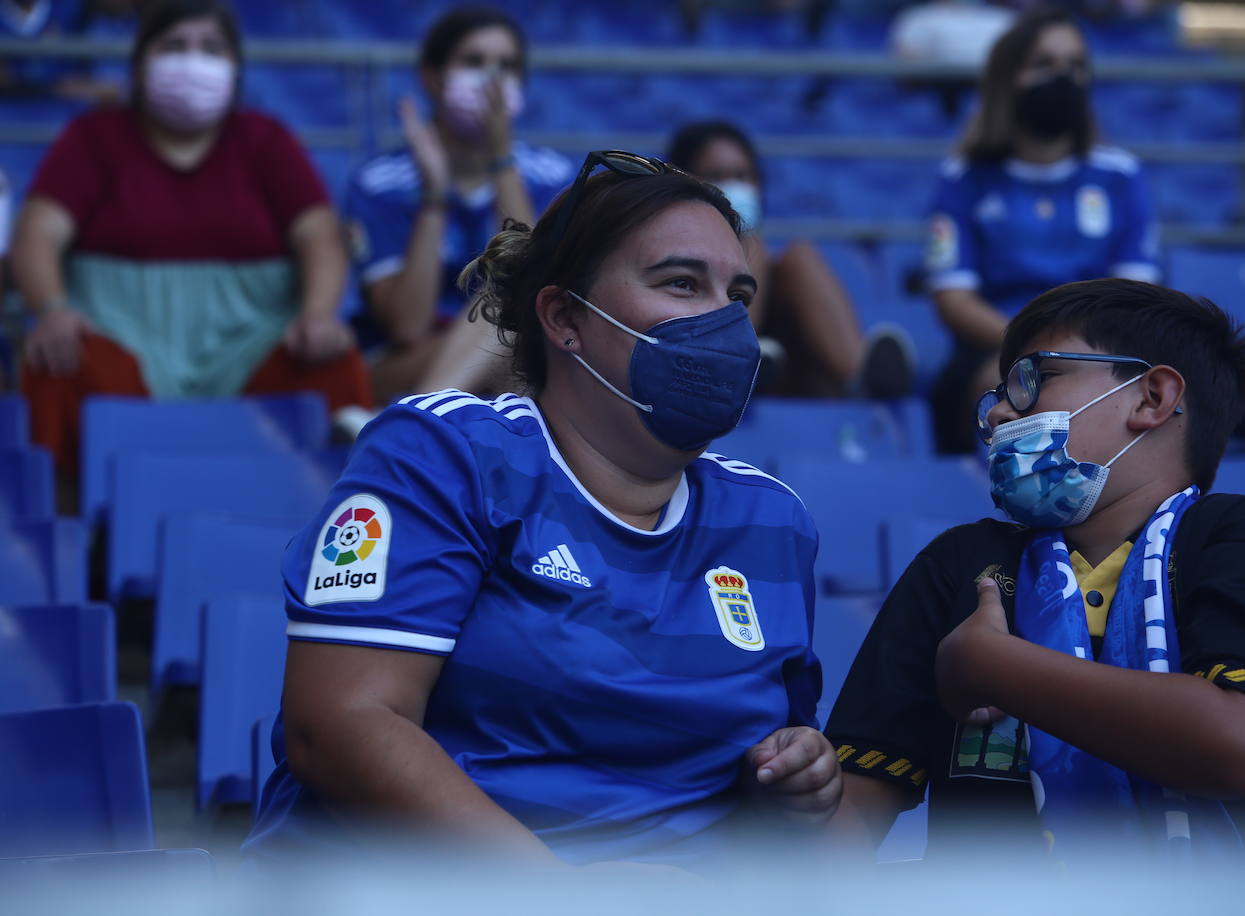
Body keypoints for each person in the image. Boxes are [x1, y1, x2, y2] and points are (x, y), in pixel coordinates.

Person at [244, 151, 841, 868]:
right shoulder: (444, 455)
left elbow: (750, 773)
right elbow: (341, 723)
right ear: (563, 317)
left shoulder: (772, 522)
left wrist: (791, 778)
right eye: (681, 283)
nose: (722, 319)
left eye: (737, 295)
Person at [825, 278, 1245, 864]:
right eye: (999, 393)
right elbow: (851, 812)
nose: (999, 412)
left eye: (1034, 378)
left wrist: (991, 665)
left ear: (1152, 398)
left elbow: (1240, 747)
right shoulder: (959, 564)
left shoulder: (1231, 537)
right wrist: (798, 788)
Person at [11, 0, 371, 479]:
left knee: (333, 362)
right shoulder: (92, 137)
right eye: (174, 46)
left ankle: (350, 518)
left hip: (251, 344)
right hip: (117, 336)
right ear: (139, 65)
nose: (192, 62)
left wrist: (319, 315)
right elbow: (38, 231)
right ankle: (55, 520)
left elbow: (319, 235)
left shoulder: (266, 140)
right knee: (53, 360)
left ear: (236, 69)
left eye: (211, 49)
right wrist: (53, 309)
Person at [925, 9, 1158, 452]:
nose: (1064, 77)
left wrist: (1079, 354)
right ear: (1007, 79)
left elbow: (1136, 293)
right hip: (996, 349)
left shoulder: (1120, 176)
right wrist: (1041, 351)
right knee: (1015, 388)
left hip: (1101, 350)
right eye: (1044, 64)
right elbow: (954, 300)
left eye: (1076, 65)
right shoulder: (965, 178)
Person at [344, 7, 574, 405]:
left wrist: (501, 159)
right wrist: (434, 195)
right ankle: (422, 422)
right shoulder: (380, 184)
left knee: (513, 324)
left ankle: (417, 425)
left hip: (514, 355)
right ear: (432, 78)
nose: (492, 79)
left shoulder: (551, 177)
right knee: (505, 322)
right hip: (400, 366)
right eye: (473, 62)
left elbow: (534, 289)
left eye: (507, 66)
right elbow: (407, 326)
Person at [666, 120, 914, 400]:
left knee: (799, 254)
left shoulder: (776, 268)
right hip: (696, 363)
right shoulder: (663, 261)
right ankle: (731, 359)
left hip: (789, 367)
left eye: (742, 175)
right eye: (715, 175)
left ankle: (861, 379)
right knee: (750, 245)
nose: (733, 186)